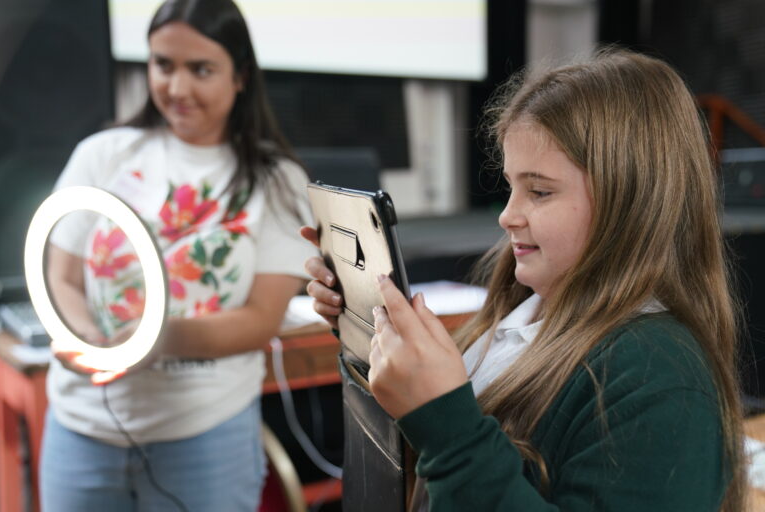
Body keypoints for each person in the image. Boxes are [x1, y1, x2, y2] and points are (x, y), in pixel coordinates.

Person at [303, 48, 744, 511]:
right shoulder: (525, 309)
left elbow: (457, 453)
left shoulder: (659, 377)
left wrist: (450, 431)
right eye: (511, 187)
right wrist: (368, 331)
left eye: (539, 191)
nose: (508, 216)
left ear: (632, 199)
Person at [40, 0, 316, 510]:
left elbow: (261, 319)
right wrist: (86, 339)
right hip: (80, 432)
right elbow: (60, 274)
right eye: (163, 65)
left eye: (201, 69)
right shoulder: (103, 154)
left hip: (205, 435)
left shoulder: (277, 181)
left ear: (240, 77)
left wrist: (155, 339)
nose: (177, 88)